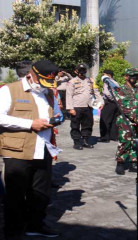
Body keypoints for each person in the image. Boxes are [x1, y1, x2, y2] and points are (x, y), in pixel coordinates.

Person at [0, 60, 62, 239]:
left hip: (43, 147)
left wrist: (57, 118)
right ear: (32, 74)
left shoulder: (48, 92)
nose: (45, 86)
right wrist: (30, 123)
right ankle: (13, 231)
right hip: (17, 149)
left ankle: (35, 225)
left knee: (40, 193)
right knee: (16, 195)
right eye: (42, 81)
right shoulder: (9, 90)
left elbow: (57, 111)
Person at [66, 63, 103, 150]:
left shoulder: (90, 80)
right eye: (80, 70)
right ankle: (77, 142)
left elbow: (96, 92)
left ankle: (85, 141)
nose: (82, 72)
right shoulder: (72, 82)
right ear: (76, 71)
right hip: (76, 106)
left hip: (88, 106)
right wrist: (70, 108)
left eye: (84, 70)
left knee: (88, 125)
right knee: (75, 125)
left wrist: (101, 102)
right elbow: (68, 95)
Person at [114, 68, 138, 175]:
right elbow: (122, 106)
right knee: (125, 142)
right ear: (126, 77)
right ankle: (120, 163)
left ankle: (133, 163)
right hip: (125, 120)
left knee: (136, 142)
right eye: (131, 76)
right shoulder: (120, 90)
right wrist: (133, 116)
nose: (133, 78)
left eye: (135, 76)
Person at [98, 69, 120, 142]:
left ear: (109, 75)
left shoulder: (107, 82)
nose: (102, 76)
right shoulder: (115, 82)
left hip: (109, 102)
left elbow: (107, 93)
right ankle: (113, 136)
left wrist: (110, 99)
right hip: (116, 104)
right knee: (114, 120)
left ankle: (104, 137)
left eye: (104, 74)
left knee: (105, 120)